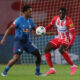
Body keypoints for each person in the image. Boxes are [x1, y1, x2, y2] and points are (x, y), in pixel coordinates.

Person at [0, 5, 42, 76]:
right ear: (25, 12)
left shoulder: (30, 21)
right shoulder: (19, 20)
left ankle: (37, 72)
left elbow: (36, 29)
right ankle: (4, 72)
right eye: (30, 11)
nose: (31, 13)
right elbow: (10, 28)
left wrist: (36, 33)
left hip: (27, 42)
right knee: (16, 58)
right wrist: (4, 38)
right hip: (19, 42)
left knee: (38, 54)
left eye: (31, 11)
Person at [44, 8, 77, 76]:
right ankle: (52, 69)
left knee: (61, 49)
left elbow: (73, 34)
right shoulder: (55, 18)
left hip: (66, 39)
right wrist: (43, 30)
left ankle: (73, 66)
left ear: (65, 14)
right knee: (46, 49)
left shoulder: (69, 21)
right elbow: (49, 26)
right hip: (59, 38)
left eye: (63, 13)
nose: (61, 14)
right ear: (59, 13)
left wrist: (70, 44)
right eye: (60, 13)